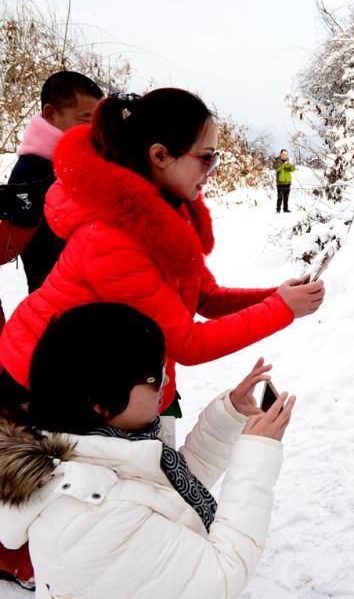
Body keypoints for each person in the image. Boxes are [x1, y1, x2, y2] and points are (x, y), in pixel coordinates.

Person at [0, 88, 325, 431]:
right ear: (159, 155)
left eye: (216, 158)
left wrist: (276, 295)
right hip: (44, 386)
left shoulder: (168, 214)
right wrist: (283, 309)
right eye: (206, 158)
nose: (212, 170)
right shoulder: (114, 239)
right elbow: (187, 344)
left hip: (110, 379)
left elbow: (205, 296)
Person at [0, 303, 294, 598]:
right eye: (154, 376)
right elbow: (221, 575)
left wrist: (228, 416)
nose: (165, 382)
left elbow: (166, 495)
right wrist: (256, 457)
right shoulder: (91, 517)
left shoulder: (88, 451)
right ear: (100, 402)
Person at [0, 72, 104, 326]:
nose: (94, 131)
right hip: (57, 313)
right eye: (85, 119)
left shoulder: (78, 162)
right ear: (50, 114)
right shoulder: (35, 171)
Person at [274, 149, 295, 213]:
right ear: (280, 154)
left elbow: (292, 170)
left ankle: (285, 209)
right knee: (280, 197)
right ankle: (278, 210)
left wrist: (291, 165)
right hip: (280, 182)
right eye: (283, 154)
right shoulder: (277, 161)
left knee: (286, 197)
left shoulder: (288, 161)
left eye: (286, 154)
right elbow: (277, 169)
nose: (285, 156)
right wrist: (284, 164)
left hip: (288, 182)